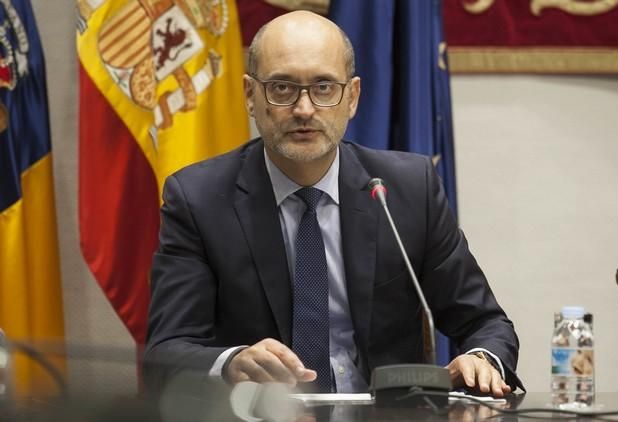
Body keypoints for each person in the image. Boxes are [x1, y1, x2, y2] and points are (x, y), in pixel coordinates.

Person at [144, 10, 522, 397]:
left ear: (352, 97)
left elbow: (485, 323)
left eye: (324, 87)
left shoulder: (407, 190)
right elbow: (166, 353)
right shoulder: (199, 199)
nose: (304, 109)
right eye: (282, 87)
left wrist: (482, 359)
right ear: (250, 96)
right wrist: (231, 363)